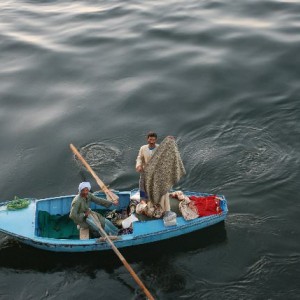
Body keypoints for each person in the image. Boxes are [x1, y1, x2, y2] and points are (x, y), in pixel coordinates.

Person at [135, 131, 159, 201]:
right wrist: (139, 165)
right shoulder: (143, 148)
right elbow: (139, 157)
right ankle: (143, 200)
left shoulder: (159, 148)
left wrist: (169, 140)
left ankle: (154, 200)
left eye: (154, 140)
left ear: (156, 140)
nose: (152, 141)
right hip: (145, 170)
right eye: (150, 139)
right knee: (142, 185)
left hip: (155, 171)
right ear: (147, 139)